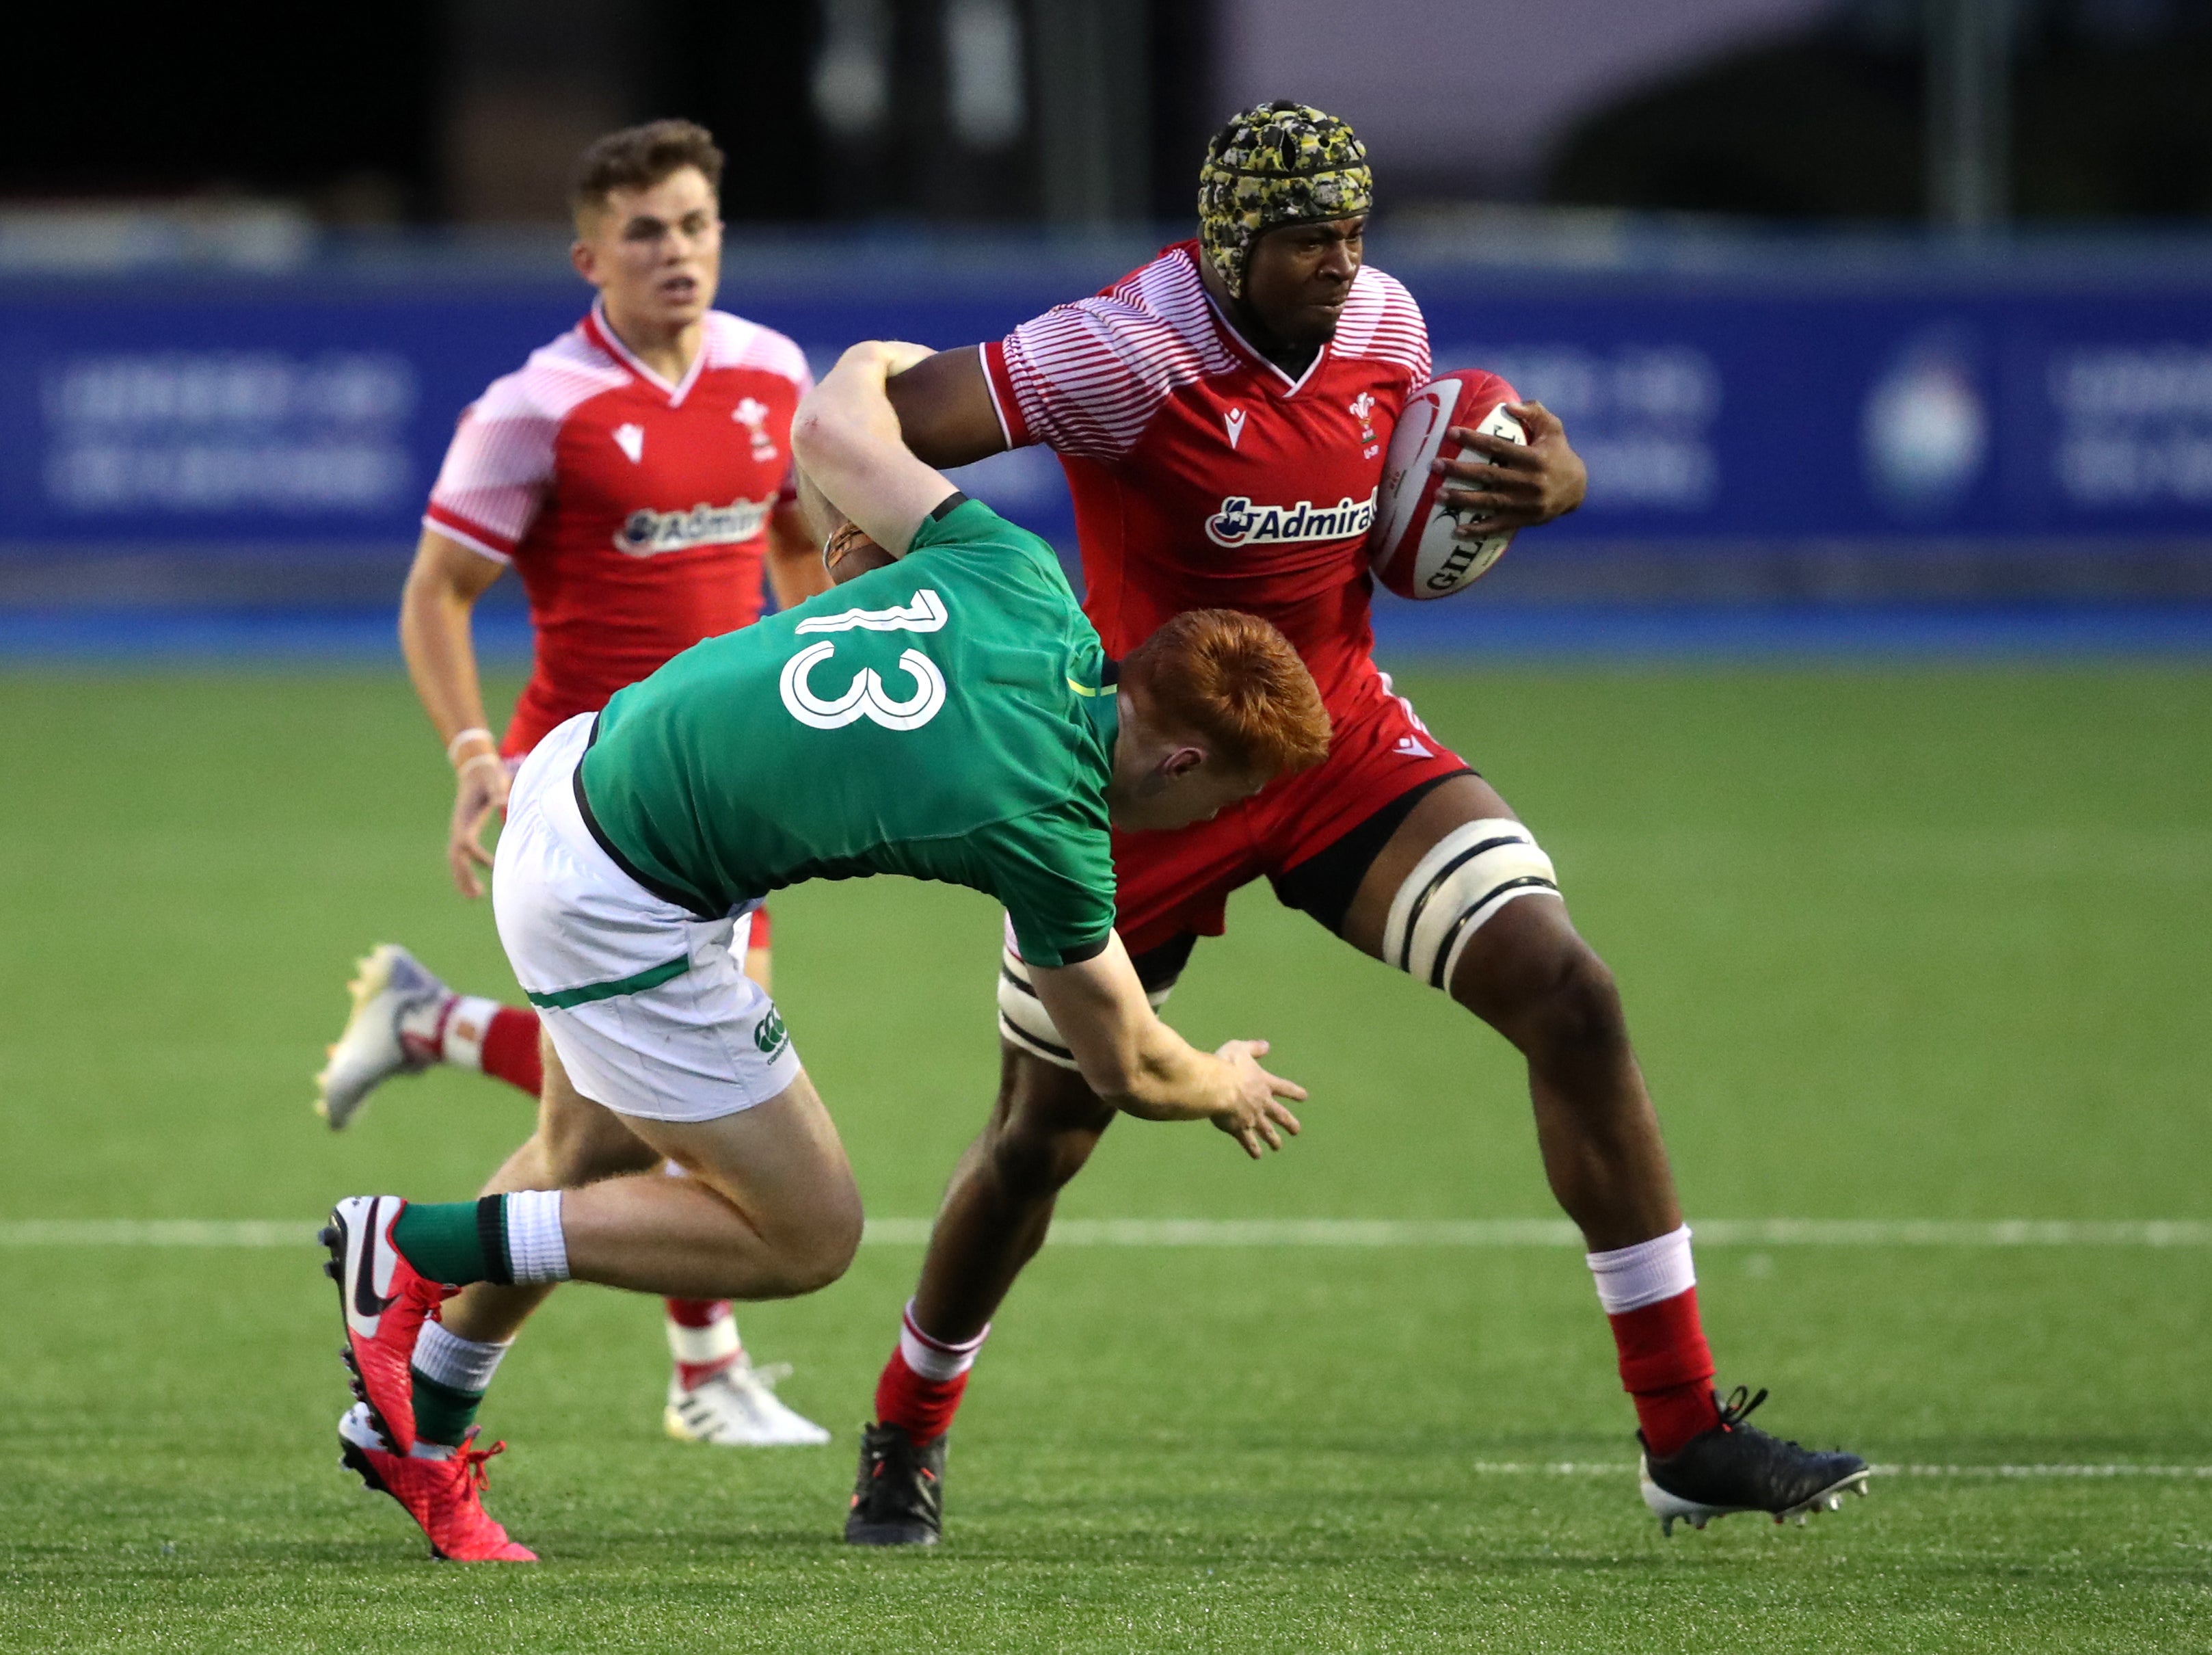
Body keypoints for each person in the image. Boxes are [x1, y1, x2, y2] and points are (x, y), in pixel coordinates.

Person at [840, 101, 1869, 1546]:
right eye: (1307, 238)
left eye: (1352, 232)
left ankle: (1682, 1428)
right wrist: (855, 537)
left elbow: (1428, 481)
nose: (1340, 262)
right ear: (1229, 242)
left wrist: (1554, 487)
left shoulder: (1384, 324)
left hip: (1335, 743)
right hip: (1144, 773)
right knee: (1040, 1139)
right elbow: (883, 428)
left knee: (1569, 993)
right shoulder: (1123, 351)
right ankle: (904, 1428)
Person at [319, 337, 1330, 1562]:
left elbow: (834, 427)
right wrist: (1224, 1078)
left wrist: (896, 359)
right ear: (1180, 759)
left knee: (580, 1159)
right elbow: (1127, 1068)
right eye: (1224, 798)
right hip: (614, 897)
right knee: (808, 1234)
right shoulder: (1052, 828)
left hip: (585, 768)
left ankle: (417, 1437)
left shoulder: (1019, 575)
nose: (1214, 824)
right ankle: (408, 1245)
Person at [312, 119, 832, 1449]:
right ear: (587, 253)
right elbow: (438, 592)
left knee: (595, 1141)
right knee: (694, 1119)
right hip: (593, 814)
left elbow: (790, 541)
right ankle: (695, 1370)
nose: (677, 251)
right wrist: (472, 753)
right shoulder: (536, 406)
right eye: (647, 230)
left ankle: (419, 1393)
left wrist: (812, 685)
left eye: (697, 224)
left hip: (723, 808)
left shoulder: (772, 374)